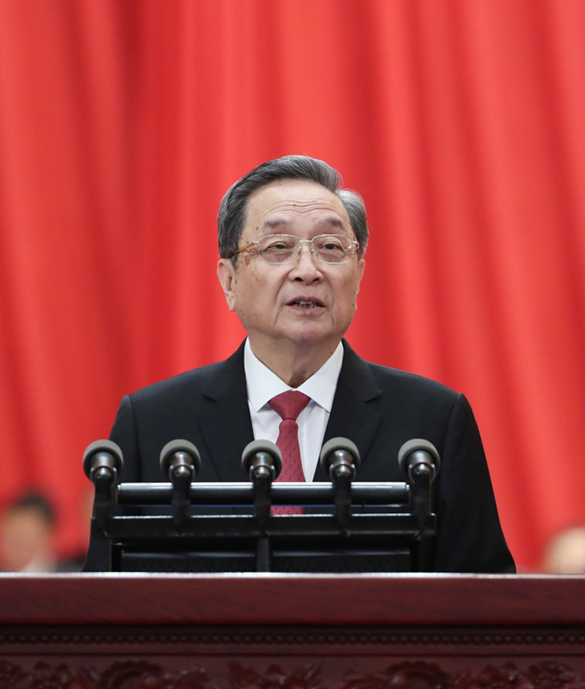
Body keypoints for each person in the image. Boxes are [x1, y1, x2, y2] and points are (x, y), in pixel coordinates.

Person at [84, 155, 514, 573]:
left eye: (331, 247)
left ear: (358, 276)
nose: (308, 270)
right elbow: (105, 602)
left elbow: (483, 601)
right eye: (278, 247)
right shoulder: (153, 424)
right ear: (229, 281)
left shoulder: (433, 422)